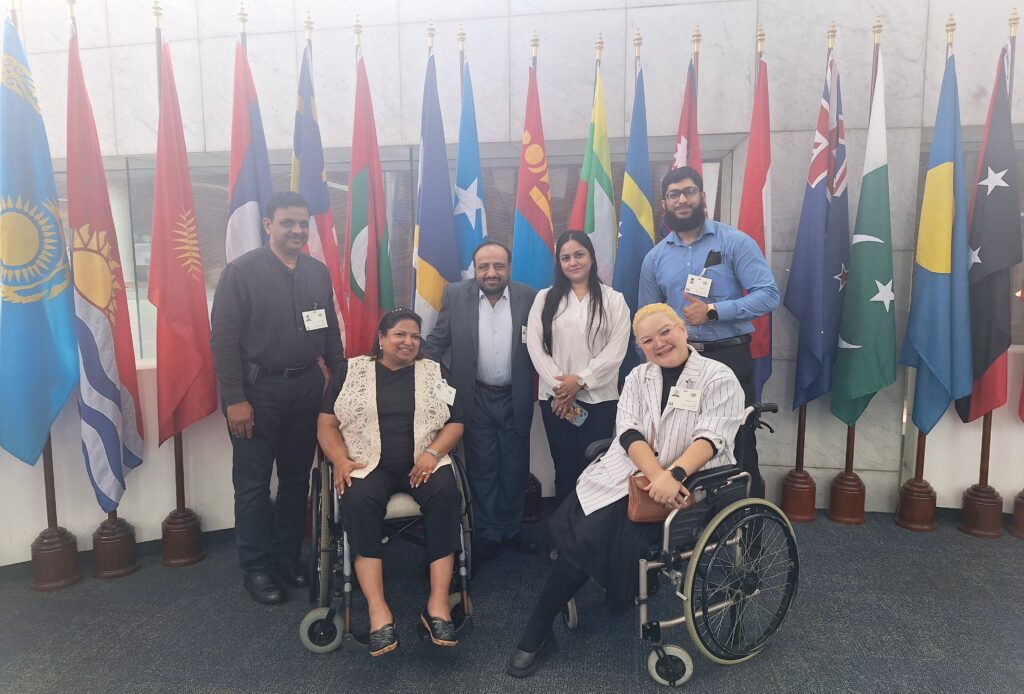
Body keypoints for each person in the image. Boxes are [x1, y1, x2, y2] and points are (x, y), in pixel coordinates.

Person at [506, 303, 745, 678]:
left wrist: (673, 475)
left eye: (665, 332)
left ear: (682, 329)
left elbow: (712, 438)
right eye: (648, 340)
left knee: (588, 536)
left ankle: (537, 630)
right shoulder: (637, 376)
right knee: (578, 520)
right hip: (636, 476)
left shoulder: (718, 376)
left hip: (690, 486)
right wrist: (657, 475)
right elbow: (629, 432)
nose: (659, 344)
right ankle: (551, 612)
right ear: (640, 347)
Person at [211, 191, 344, 606]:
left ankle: (287, 558)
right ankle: (255, 568)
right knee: (252, 485)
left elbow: (330, 335)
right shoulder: (241, 273)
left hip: (306, 389)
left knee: (295, 480)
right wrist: (235, 398)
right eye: (288, 222)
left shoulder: (317, 272)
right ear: (268, 225)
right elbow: (223, 342)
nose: (297, 230)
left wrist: (342, 382)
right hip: (257, 393)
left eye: (302, 223)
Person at [317, 308, 465, 657]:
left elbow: (456, 423)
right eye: (400, 334)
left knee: (446, 492)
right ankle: (378, 610)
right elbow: (326, 424)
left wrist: (433, 453)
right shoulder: (350, 371)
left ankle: (437, 604)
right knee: (356, 500)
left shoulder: (435, 372)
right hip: (367, 464)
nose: (408, 342)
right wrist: (340, 460)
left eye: (415, 336)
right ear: (381, 338)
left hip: (422, 463)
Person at [638, 166, 779, 496]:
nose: (682, 200)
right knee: (681, 441)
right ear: (664, 203)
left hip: (728, 357)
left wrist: (714, 312)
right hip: (678, 364)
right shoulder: (654, 258)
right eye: (673, 194)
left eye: (689, 192)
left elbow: (769, 294)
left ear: (702, 196)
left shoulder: (735, 242)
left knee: (738, 439)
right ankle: (692, 521)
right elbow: (646, 318)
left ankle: (746, 522)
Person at [423, 241, 539, 560]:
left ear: (509, 268)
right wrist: (440, 381)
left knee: (514, 467)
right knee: (482, 466)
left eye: (498, 266)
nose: (491, 273)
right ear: (474, 269)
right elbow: (437, 342)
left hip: (515, 396)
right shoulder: (455, 295)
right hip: (474, 396)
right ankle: (487, 533)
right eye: (483, 266)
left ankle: (511, 529)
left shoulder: (529, 297)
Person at [526, 231, 630, 504]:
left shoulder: (614, 300)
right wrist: (562, 388)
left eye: (579, 255)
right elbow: (536, 347)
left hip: (600, 399)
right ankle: (564, 528)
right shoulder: (545, 299)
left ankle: (590, 529)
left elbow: (616, 351)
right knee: (564, 468)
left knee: (596, 470)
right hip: (556, 401)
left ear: (592, 257)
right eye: (566, 257)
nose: (573, 262)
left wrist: (581, 381)